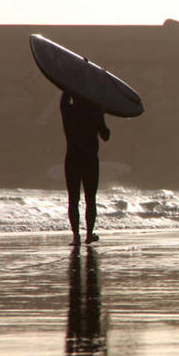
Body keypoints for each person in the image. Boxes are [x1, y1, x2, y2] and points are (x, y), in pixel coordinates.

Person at [61, 92, 110, 246]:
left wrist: (70, 84)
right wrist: (101, 111)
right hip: (90, 160)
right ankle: (89, 234)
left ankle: (76, 236)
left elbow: (64, 95)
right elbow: (106, 135)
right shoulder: (94, 112)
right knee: (91, 199)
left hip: (72, 159)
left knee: (73, 200)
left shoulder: (68, 111)